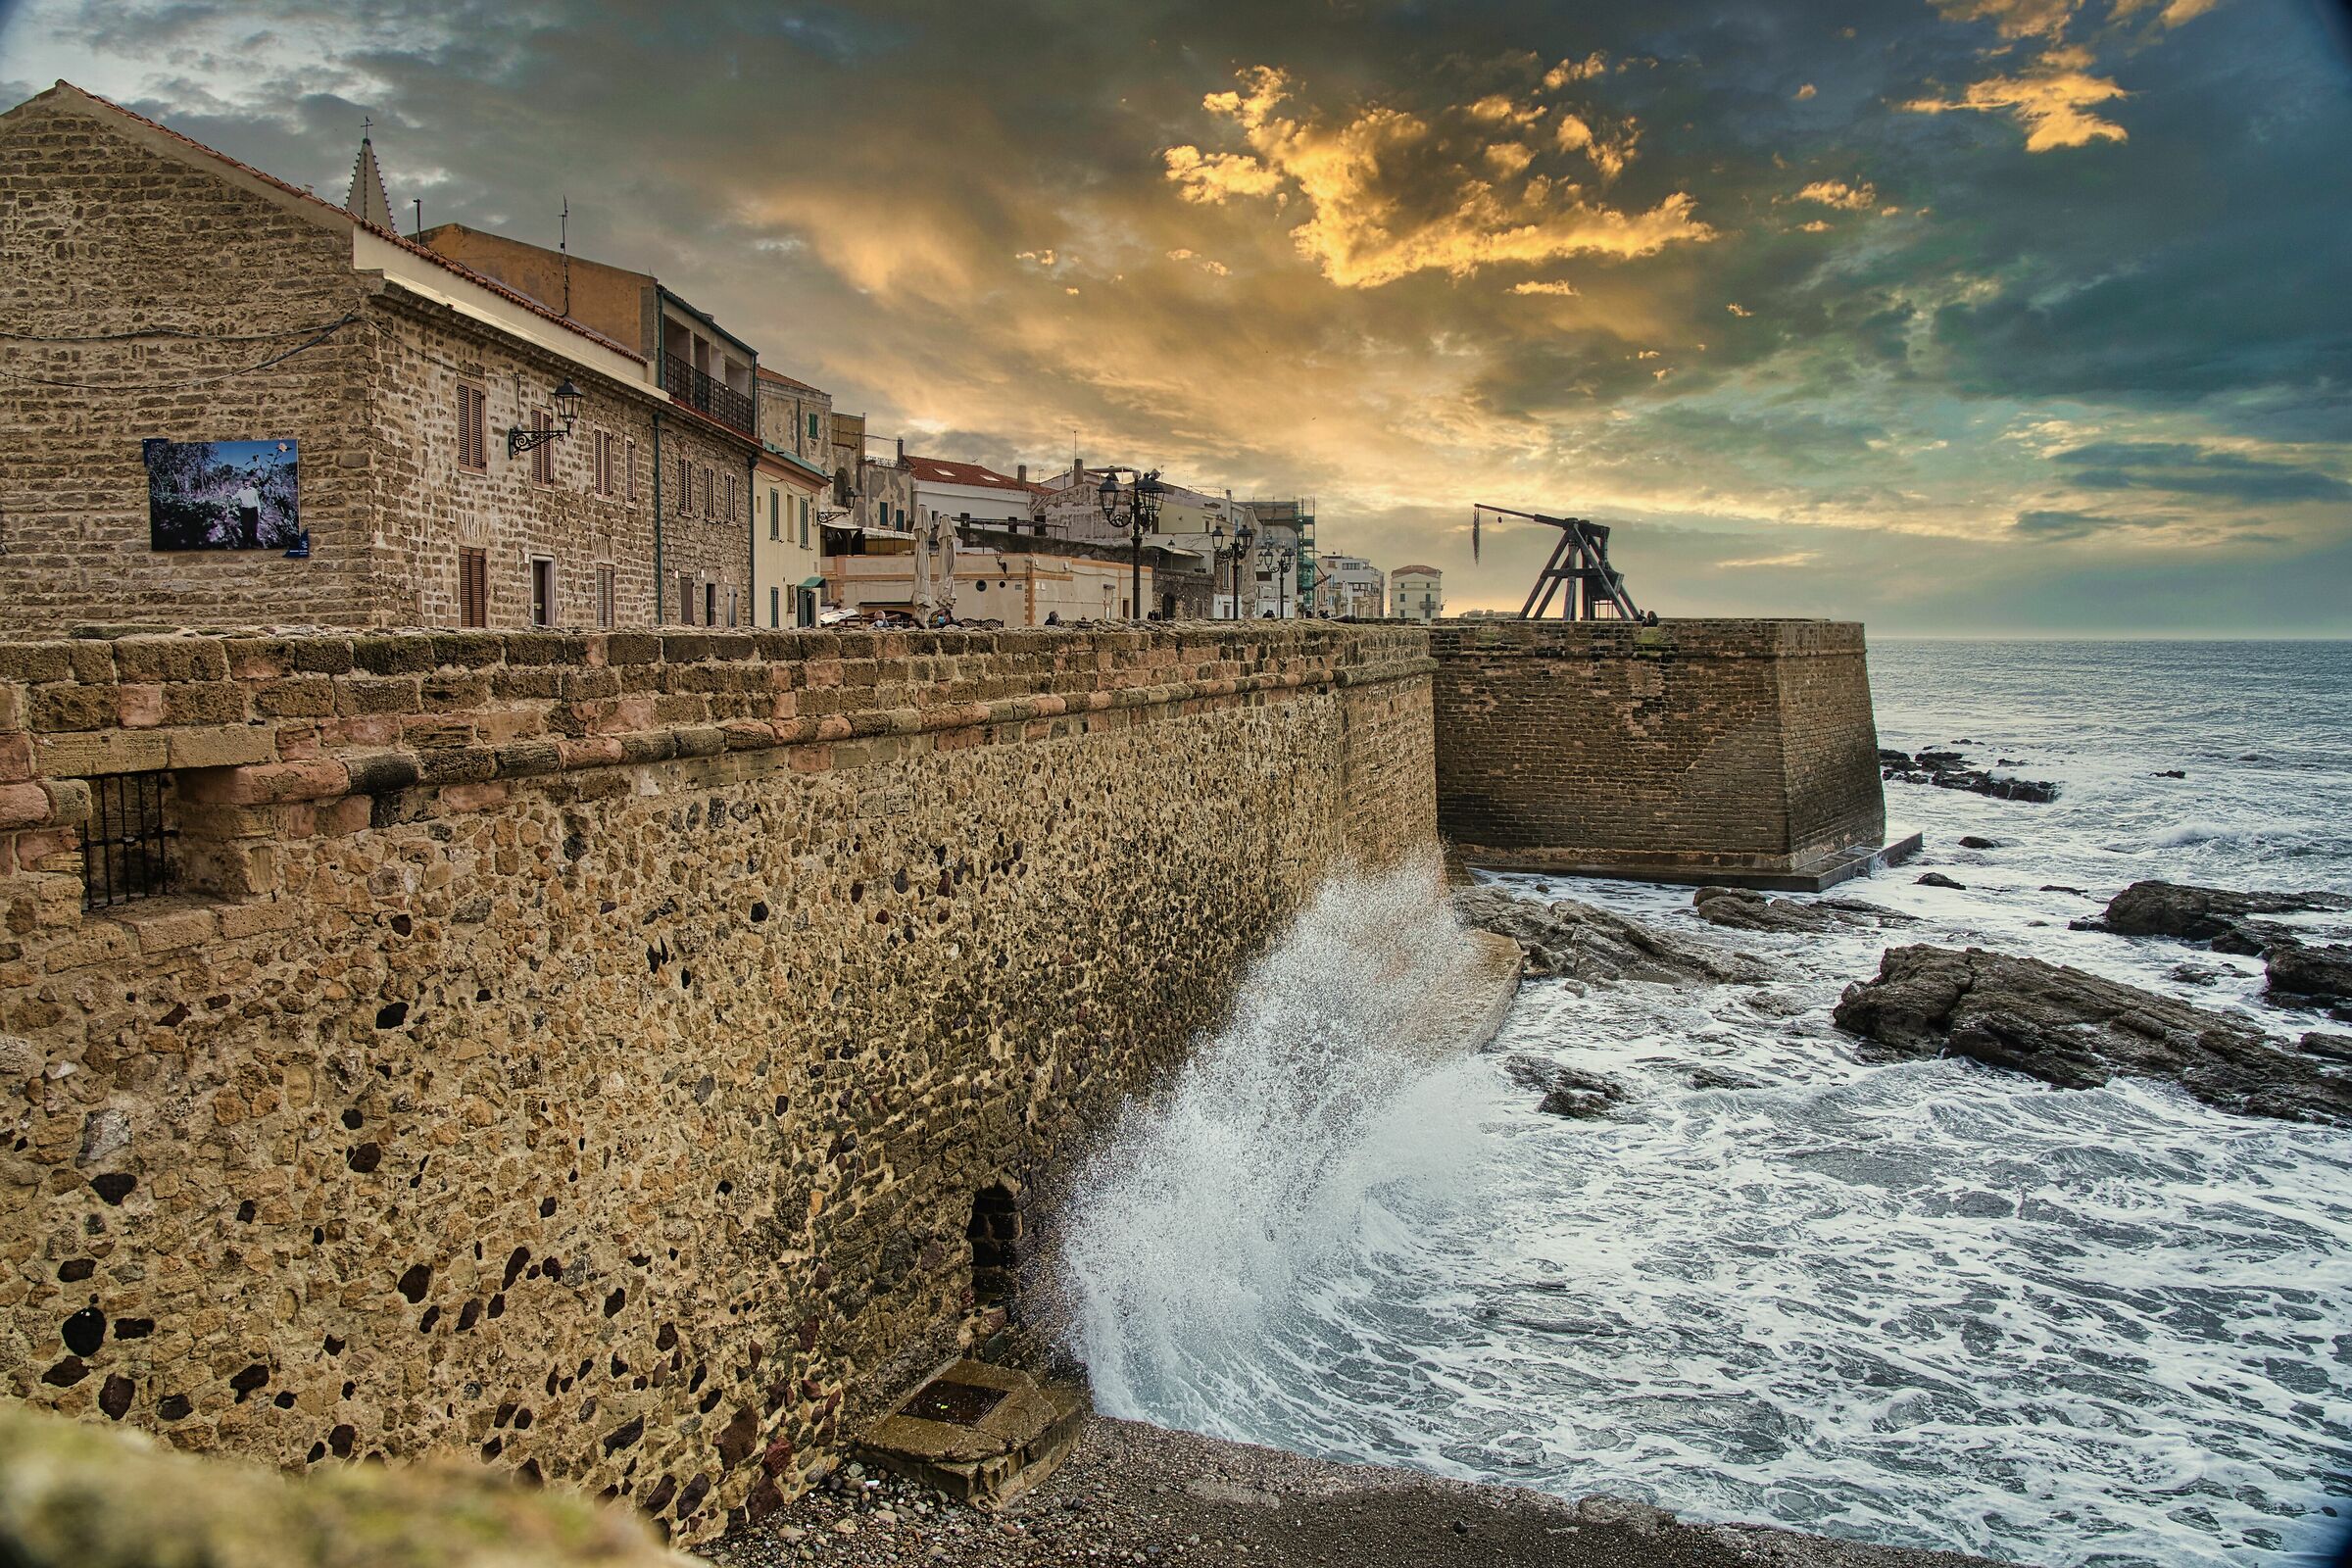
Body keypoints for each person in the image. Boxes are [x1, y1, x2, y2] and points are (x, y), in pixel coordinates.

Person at [233, 467, 263, 548]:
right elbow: (234, 497)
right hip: (245, 511)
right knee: (246, 527)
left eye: (248, 484)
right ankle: (246, 543)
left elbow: (257, 501)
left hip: (254, 510)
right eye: (245, 484)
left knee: (254, 527)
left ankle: (254, 542)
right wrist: (229, 496)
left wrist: (259, 511)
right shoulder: (240, 491)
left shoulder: (253, 490)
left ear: (250, 483)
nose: (247, 485)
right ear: (243, 484)